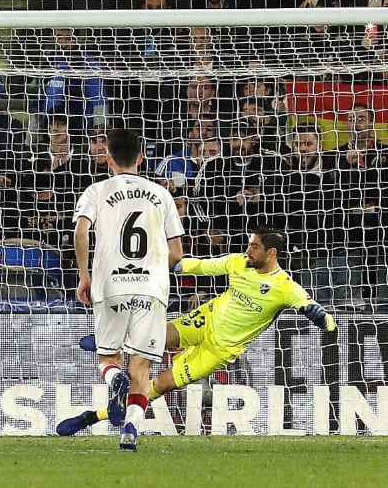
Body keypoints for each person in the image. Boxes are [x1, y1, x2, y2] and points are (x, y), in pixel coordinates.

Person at [60, 229, 338, 436]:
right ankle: (113, 341)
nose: (248, 251)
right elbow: (204, 266)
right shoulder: (238, 262)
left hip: (220, 350)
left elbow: (321, 315)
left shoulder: (285, 287)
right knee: (156, 336)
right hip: (206, 319)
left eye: (254, 247)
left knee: (161, 385)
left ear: (271, 253)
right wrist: (173, 264)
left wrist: (322, 320)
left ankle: (92, 417)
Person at [72, 128, 184, 451]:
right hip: (151, 290)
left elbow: (81, 230)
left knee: (108, 357)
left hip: (110, 285)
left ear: (108, 159)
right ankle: (131, 431)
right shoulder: (161, 194)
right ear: (141, 157)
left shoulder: (97, 190)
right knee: (142, 366)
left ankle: (112, 380)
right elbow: (177, 253)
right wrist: (155, 271)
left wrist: (84, 274)